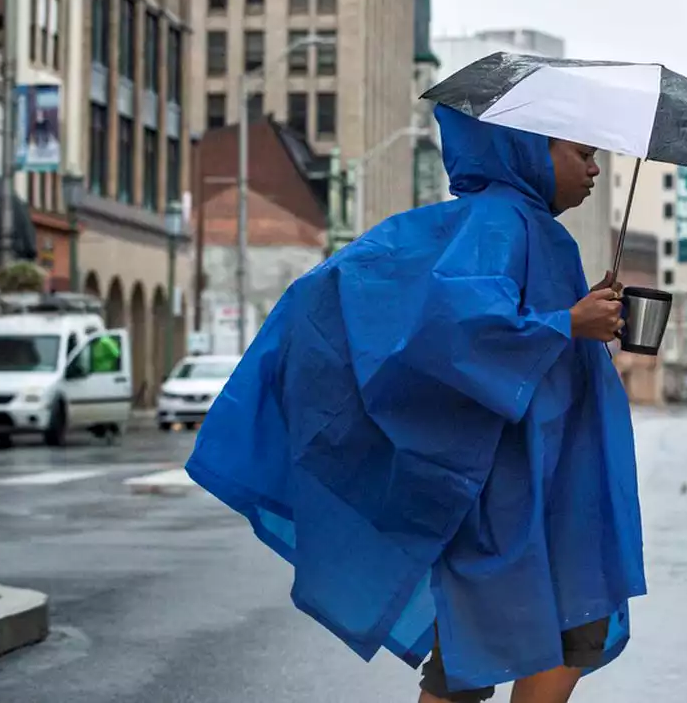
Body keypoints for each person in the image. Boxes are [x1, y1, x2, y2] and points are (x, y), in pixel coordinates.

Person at [187, 106, 646, 703]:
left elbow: (512, 331)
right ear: (529, 150)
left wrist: (578, 316)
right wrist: (566, 322)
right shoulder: (497, 222)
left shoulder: (530, 228)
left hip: (550, 479)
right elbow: (457, 332)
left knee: (549, 634)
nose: (594, 170)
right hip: (512, 487)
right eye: (581, 153)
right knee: (496, 646)